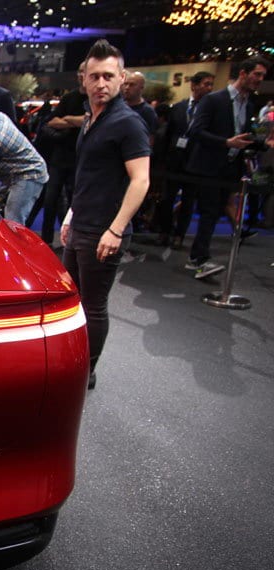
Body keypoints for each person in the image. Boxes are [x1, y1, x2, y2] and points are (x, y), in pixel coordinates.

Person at [59, 40, 150, 390]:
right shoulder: (91, 119)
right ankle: (74, 361)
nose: (101, 83)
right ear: (84, 79)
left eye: (108, 76)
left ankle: (88, 371)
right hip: (81, 224)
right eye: (95, 76)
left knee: (93, 306)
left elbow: (141, 180)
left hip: (104, 230)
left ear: (121, 78)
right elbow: (88, 174)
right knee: (73, 301)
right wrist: (71, 214)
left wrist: (116, 229)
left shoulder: (128, 123)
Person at [185, 55, 270, 279]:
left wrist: (262, 144)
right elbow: (196, 131)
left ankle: (198, 257)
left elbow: (243, 135)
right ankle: (199, 259)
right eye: (257, 74)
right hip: (208, 167)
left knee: (216, 212)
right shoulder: (214, 100)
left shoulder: (248, 104)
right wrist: (226, 143)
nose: (260, 79)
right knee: (209, 212)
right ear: (243, 73)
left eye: (263, 76)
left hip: (230, 168)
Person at [153, 70, 215, 248]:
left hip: (195, 163)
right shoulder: (179, 108)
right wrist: (163, 160)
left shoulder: (210, 110)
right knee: (167, 199)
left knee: (188, 202)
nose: (209, 88)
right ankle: (164, 231)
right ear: (194, 85)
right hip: (174, 162)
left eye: (211, 85)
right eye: (206, 84)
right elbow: (168, 134)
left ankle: (179, 235)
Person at [40, 63, 87, 245]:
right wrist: (77, 121)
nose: (82, 75)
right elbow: (52, 122)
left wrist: (68, 120)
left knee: (75, 202)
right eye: (80, 71)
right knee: (50, 200)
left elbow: (90, 120)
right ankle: (46, 240)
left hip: (80, 160)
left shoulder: (94, 100)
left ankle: (72, 240)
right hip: (59, 157)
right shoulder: (69, 98)